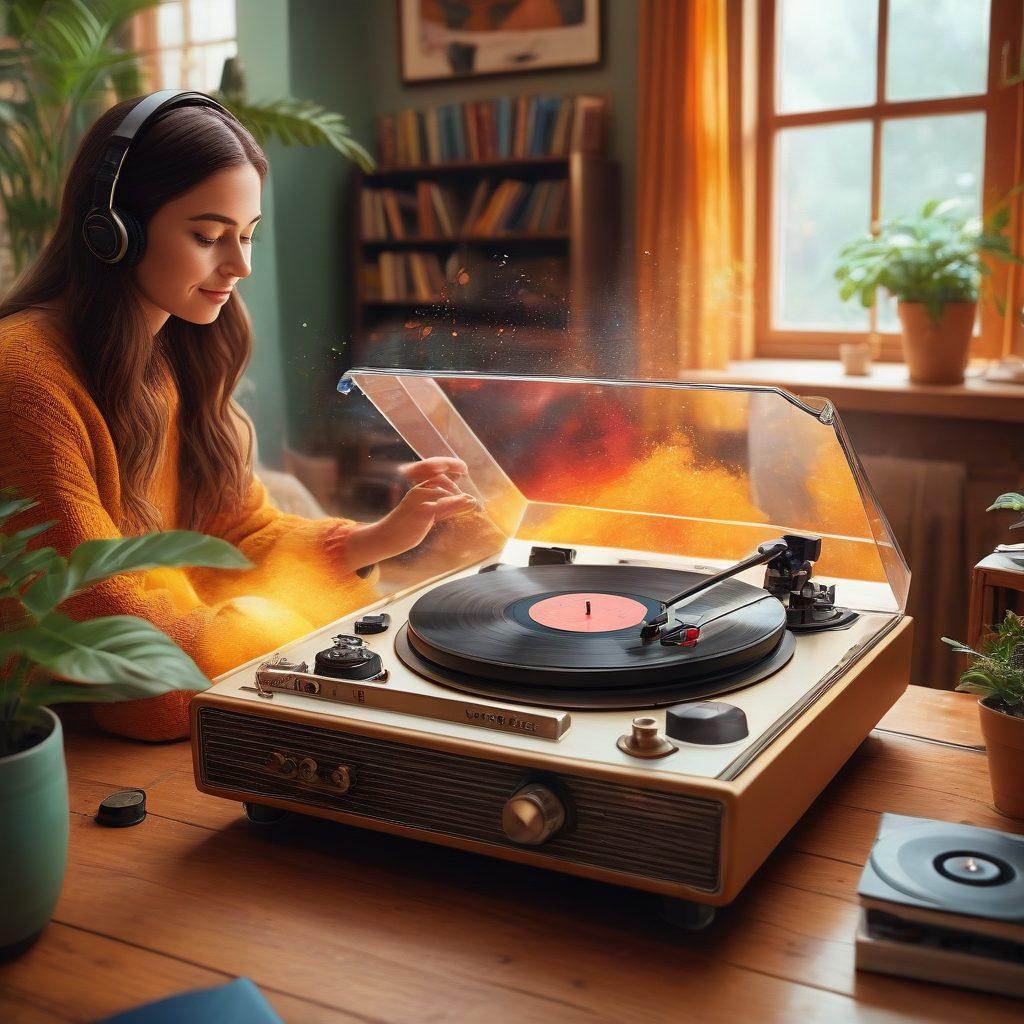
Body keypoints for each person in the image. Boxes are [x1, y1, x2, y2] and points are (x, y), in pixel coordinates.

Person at [0, 92, 476, 741]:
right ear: (112, 230)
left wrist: (382, 538)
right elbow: (116, 644)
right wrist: (262, 624)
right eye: (208, 236)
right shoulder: (22, 376)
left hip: (175, 653)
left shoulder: (172, 354)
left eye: (247, 235)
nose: (241, 265)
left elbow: (243, 532)